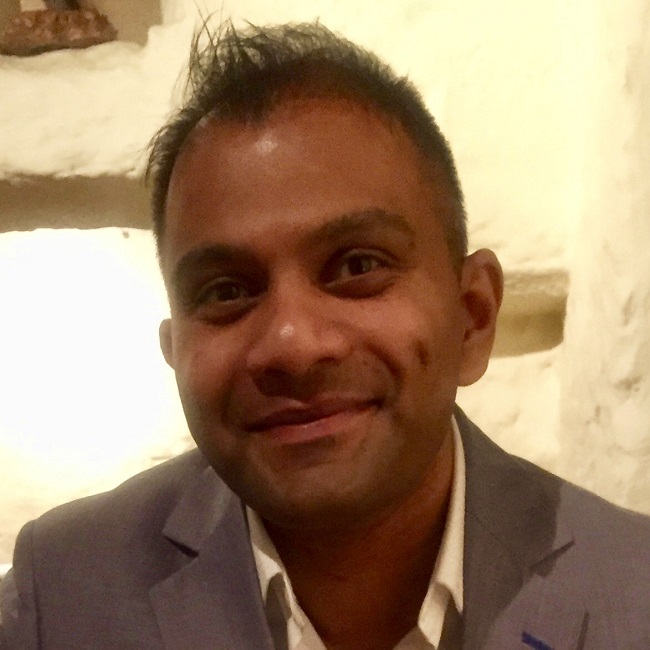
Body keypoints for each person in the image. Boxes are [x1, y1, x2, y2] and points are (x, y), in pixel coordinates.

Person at [1, 21, 649, 650]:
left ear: (472, 318)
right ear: (175, 353)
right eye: (225, 291)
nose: (294, 344)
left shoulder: (635, 592)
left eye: (358, 266)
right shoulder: (59, 594)